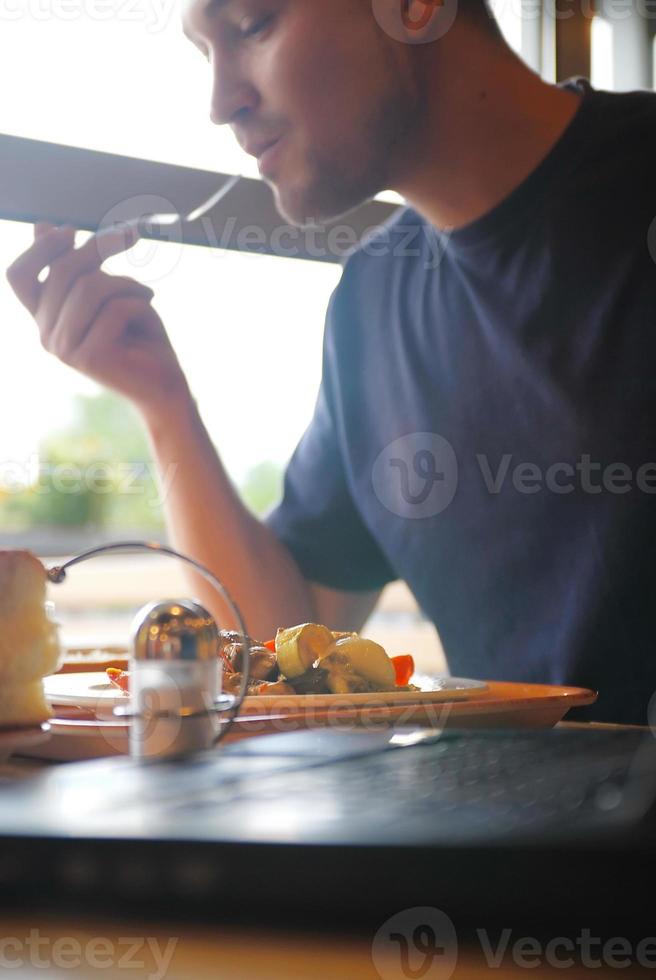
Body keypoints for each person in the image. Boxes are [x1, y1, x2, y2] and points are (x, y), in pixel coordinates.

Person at [7, 0, 656, 724]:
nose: (221, 102)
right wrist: (161, 402)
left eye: (253, 26)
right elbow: (283, 635)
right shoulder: (372, 297)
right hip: (504, 827)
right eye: (203, 53)